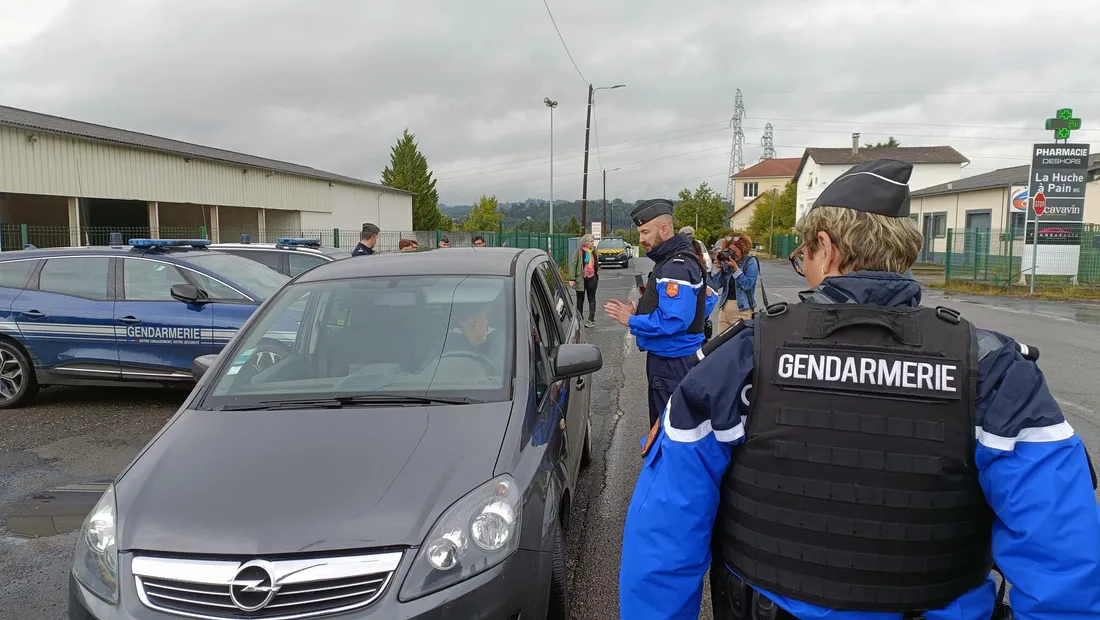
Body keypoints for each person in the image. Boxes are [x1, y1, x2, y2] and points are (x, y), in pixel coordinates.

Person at [619, 159, 1100, 619]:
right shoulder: (993, 369)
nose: (804, 266)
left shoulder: (741, 359)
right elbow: (1065, 560)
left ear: (825, 248)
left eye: (803, 255)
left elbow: (664, 537)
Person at [604, 199, 708, 428]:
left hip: (672, 362)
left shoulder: (676, 266)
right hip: (679, 359)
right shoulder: (679, 259)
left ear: (664, 229)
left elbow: (674, 321)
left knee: (668, 428)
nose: (641, 239)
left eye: (645, 232)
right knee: (679, 424)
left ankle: (663, 464)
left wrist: (632, 320)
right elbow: (708, 299)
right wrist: (642, 311)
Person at [713, 233, 759, 333]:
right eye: (729, 251)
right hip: (724, 310)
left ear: (743, 250)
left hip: (742, 311)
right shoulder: (727, 262)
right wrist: (718, 266)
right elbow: (716, 285)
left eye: (734, 251)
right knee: (722, 345)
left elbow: (747, 285)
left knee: (740, 345)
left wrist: (735, 268)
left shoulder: (750, 262)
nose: (732, 254)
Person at [569, 234, 600, 328]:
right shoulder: (579, 252)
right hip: (581, 279)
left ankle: (591, 319)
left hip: (592, 278)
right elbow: (573, 264)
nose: (592, 243)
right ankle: (580, 318)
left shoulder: (594, 251)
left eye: (593, 241)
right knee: (580, 299)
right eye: (591, 241)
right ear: (585, 242)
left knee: (592, 298)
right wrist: (572, 278)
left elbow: (596, 262)